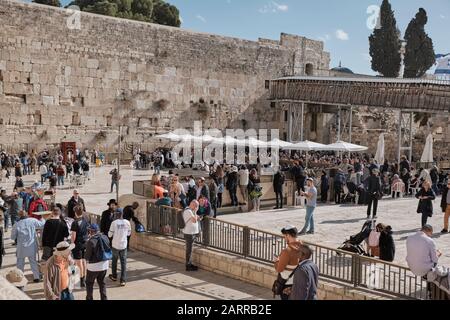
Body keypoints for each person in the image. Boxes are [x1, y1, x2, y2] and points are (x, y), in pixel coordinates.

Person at [11, 210, 46, 283]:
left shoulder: (16, 225)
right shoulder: (32, 220)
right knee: (33, 262)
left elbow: (12, 237)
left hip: (21, 247)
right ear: (26, 214)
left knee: (20, 263)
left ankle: (20, 278)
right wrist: (42, 217)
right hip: (31, 246)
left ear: (19, 216)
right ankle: (36, 277)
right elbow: (42, 225)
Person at [274, 226, 302, 300]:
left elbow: (279, 269)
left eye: (284, 236)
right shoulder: (303, 247)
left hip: (287, 285)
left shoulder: (287, 251)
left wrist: (277, 261)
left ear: (288, 235)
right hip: (298, 283)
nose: (284, 238)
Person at [85, 224, 110, 300]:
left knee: (89, 283)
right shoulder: (105, 237)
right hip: (104, 265)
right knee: (102, 283)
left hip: (93, 267)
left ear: (91, 231)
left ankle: (89, 298)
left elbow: (87, 257)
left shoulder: (91, 241)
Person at [108, 209, 131, 286]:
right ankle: (123, 280)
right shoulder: (127, 222)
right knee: (123, 263)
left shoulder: (114, 223)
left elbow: (109, 235)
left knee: (114, 261)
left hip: (115, 245)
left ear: (117, 214)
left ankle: (114, 276)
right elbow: (128, 233)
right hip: (123, 245)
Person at [70, 206, 89, 288]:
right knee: (84, 262)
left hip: (78, 244)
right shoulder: (86, 221)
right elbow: (88, 232)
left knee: (79, 262)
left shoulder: (74, 223)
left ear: (75, 213)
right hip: (85, 243)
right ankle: (84, 279)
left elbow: (73, 236)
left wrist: (71, 243)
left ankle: (81, 280)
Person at [182, 200, 200, 271]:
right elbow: (194, 220)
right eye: (196, 206)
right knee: (189, 250)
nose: (197, 207)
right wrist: (195, 212)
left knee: (190, 249)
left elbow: (194, 219)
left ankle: (189, 264)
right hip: (189, 233)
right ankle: (188, 266)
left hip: (191, 233)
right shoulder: (188, 211)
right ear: (192, 205)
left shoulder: (190, 211)